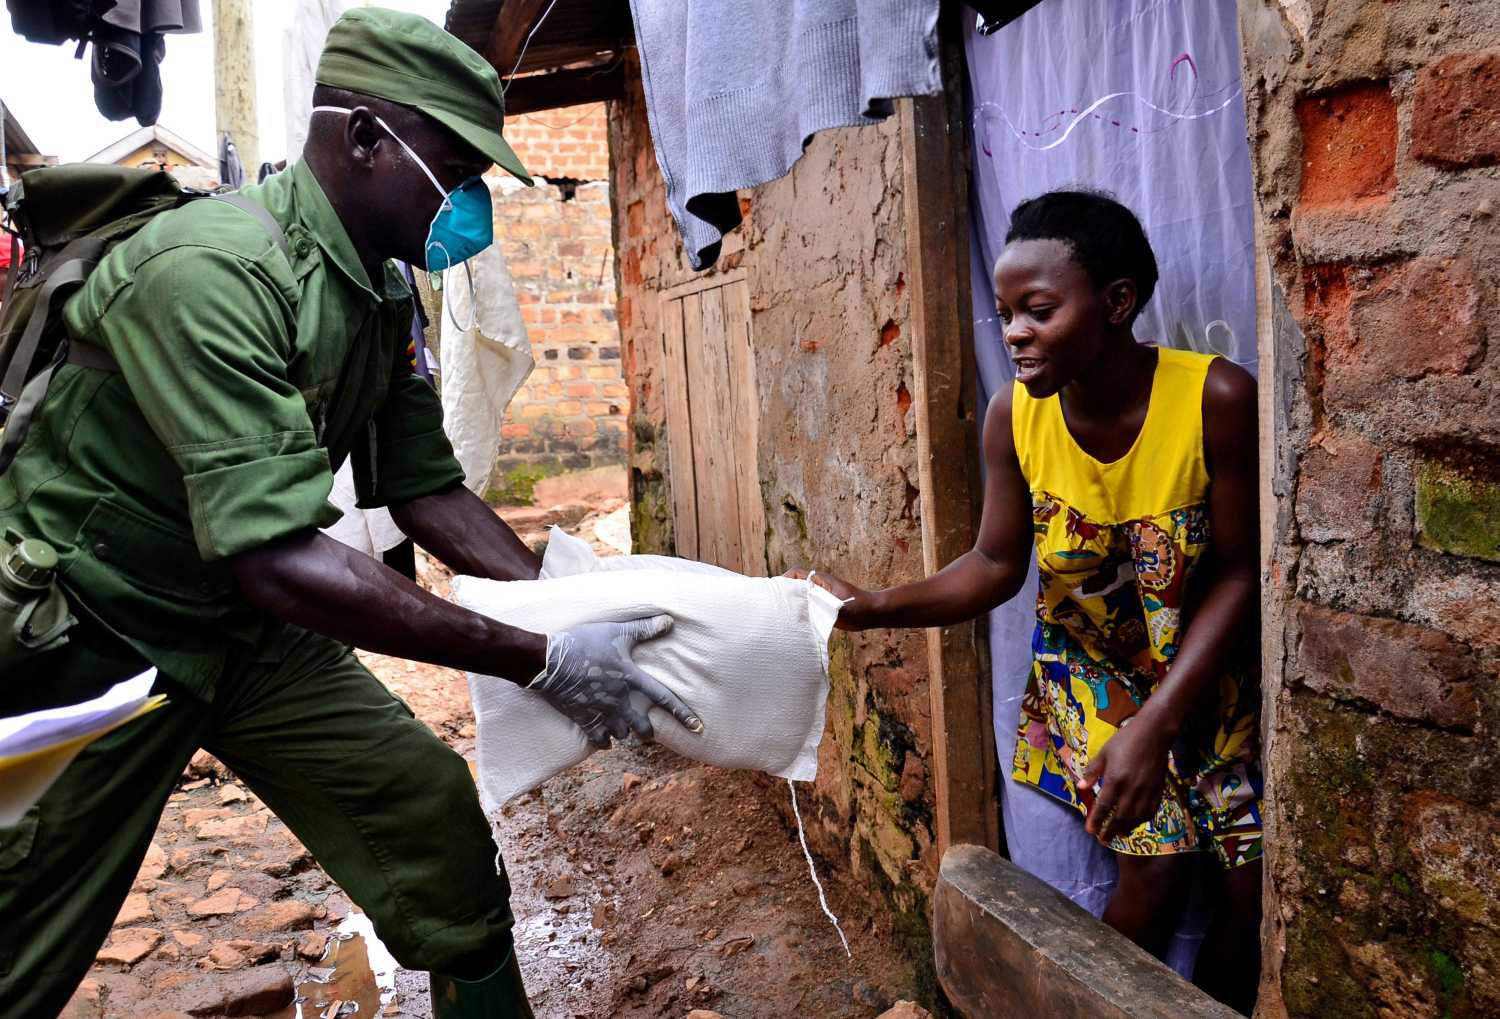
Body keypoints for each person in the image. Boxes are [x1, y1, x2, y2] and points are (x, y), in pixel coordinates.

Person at [0, 9, 701, 1018]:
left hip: (241, 632)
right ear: (367, 139)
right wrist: (534, 657)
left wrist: (564, 607)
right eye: (454, 168)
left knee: (428, 816)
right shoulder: (212, 272)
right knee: (23, 916)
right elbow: (280, 559)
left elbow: (427, 490)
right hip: (97, 627)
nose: (469, 201)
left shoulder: (379, 291)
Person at [792, 191, 1263, 1014]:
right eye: (1008, 313)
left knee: (1248, 880)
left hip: (1208, 668)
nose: (1013, 331)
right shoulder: (1015, 418)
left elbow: (1236, 571)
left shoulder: (1214, 398)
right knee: (1153, 861)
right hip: (1095, 668)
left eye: (1037, 310)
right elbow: (996, 562)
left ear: (1117, 303)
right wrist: (873, 606)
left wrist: (1162, 722)